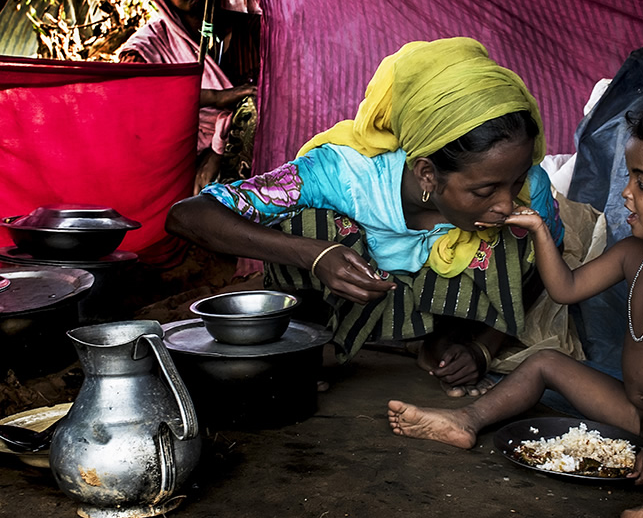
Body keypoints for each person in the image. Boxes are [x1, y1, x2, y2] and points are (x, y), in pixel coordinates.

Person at [387, 103, 643, 518]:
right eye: (628, 178)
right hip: (633, 414)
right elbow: (566, 288)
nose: (625, 194)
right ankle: (465, 422)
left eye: (642, 184)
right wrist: (541, 231)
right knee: (544, 362)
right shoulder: (632, 252)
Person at [165, 37, 565, 397]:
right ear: (427, 173)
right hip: (343, 304)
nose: (505, 201)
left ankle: (442, 339)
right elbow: (189, 215)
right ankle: (313, 344)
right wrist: (315, 255)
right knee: (311, 224)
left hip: (445, 320)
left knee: (523, 232)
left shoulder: (529, 188)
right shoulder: (343, 172)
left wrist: (481, 347)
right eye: (484, 190)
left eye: (514, 182)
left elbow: (546, 273)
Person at [117, 0, 260, 193]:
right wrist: (215, 98)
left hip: (252, 170)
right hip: (177, 173)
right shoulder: (145, 50)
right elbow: (135, 109)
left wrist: (217, 151)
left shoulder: (252, 32)